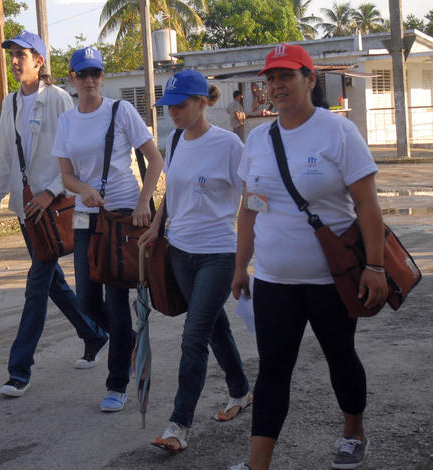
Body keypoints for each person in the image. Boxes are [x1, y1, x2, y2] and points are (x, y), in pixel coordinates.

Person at [228, 44, 388, 470]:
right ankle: (257, 462)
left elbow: (368, 206)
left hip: (332, 281)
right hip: (275, 280)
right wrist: (241, 265)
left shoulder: (338, 132)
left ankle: (354, 433)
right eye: (270, 78)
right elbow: (249, 208)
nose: (276, 85)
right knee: (273, 369)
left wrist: (375, 267)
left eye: (286, 76)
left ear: (310, 80)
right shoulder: (259, 138)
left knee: (340, 357)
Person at [0, 31, 108, 398]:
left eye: (22, 54)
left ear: (39, 61)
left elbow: (75, 152)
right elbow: (5, 154)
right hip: (27, 210)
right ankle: (94, 333)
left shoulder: (56, 99)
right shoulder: (9, 103)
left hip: (53, 206)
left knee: (37, 286)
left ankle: (19, 369)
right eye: (12, 54)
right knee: (52, 281)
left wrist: (52, 189)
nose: (16, 60)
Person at [138, 69, 251, 452]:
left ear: (203, 102)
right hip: (180, 253)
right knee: (213, 326)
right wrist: (157, 225)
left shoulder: (229, 146)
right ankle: (240, 390)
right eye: (168, 106)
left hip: (218, 253)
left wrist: (251, 254)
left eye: (180, 105)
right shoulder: (173, 141)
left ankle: (177, 425)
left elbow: (252, 198)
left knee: (193, 337)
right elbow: (173, 191)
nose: (173, 112)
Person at [53, 47, 162, 412]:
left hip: (120, 215)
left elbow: (155, 157)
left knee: (116, 302)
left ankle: (116, 384)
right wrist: (82, 190)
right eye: (82, 74)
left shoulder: (120, 111)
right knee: (85, 298)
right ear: (71, 78)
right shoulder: (67, 122)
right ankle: (128, 341)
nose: (89, 80)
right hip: (85, 217)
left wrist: (144, 202)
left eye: (95, 74)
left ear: (102, 77)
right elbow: (66, 174)